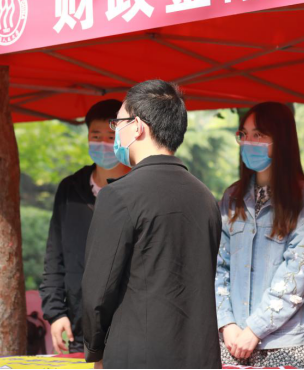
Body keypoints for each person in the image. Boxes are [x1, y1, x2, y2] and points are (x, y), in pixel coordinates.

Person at [82, 81, 222, 369]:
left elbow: (98, 291)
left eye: (118, 122)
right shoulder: (206, 197)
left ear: (137, 127)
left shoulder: (118, 195)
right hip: (200, 356)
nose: (115, 132)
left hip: (137, 355)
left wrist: (95, 350)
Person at [216, 102, 304, 369]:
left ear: (281, 140)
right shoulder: (232, 197)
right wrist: (226, 323)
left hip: (285, 343)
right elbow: (219, 265)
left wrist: (255, 329)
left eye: (259, 135)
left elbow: (297, 272)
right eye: (245, 135)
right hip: (233, 342)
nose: (249, 142)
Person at [40, 100, 130, 355]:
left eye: (111, 137)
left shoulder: (138, 189)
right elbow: (54, 256)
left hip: (129, 329)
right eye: (96, 136)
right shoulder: (70, 189)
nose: (103, 144)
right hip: (79, 328)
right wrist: (56, 313)